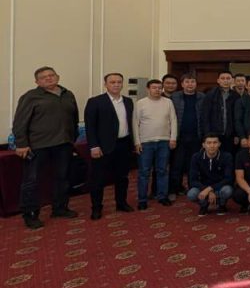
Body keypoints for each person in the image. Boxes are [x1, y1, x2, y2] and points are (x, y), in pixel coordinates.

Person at [12, 65, 80, 229]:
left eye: (51, 75)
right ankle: (30, 214)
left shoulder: (68, 94)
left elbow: (74, 118)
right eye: (43, 77)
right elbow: (20, 122)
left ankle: (60, 208)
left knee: (62, 178)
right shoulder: (30, 97)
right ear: (37, 82)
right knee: (32, 181)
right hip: (38, 146)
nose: (49, 78)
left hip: (63, 144)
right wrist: (21, 144)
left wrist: (72, 138)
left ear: (58, 77)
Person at [84, 72, 134, 219]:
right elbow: (90, 126)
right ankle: (96, 208)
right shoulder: (95, 102)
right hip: (102, 146)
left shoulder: (128, 101)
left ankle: (121, 203)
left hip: (124, 144)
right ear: (105, 84)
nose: (116, 85)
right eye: (112, 82)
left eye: (119, 82)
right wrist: (94, 146)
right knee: (98, 179)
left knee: (122, 177)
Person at [133, 79, 177, 210]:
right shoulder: (140, 103)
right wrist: (137, 142)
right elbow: (135, 123)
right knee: (144, 172)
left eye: (159, 87)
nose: (157, 90)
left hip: (164, 141)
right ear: (148, 89)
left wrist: (173, 138)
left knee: (162, 170)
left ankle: (162, 196)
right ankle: (142, 199)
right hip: (145, 142)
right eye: (154, 87)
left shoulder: (168, 102)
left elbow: (173, 120)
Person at [170, 74, 205, 197]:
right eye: (187, 81)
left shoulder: (202, 97)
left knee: (193, 164)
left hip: (196, 136)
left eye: (193, 81)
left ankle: (192, 187)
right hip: (179, 136)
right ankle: (174, 189)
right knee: (177, 164)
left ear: (196, 83)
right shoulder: (175, 97)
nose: (190, 84)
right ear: (182, 84)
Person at [187, 134, 234, 215]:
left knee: (227, 190)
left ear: (219, 144)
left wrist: (210, 189)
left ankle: (221, 204)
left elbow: (228, 178)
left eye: (215, 142)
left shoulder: (227, 156)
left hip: (220, 187)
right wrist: (207, 190)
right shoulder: (196, 157)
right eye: (209, 143)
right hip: (203, 188)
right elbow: (193, 180)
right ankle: (204, 205)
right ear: (203, 145)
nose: (212, 146)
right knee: (191, 194)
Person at [201, 72, 239, 156]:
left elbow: (237, 117)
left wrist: (236, 134)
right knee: (214, 156)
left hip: (230, 134)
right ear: (218, 80)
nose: (225, 80)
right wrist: (207, 134)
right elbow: (205, 116)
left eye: (228, 78)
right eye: (223, 78)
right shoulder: (210, 95)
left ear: (232, 80)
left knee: (229, 156)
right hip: (214, 134)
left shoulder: (236, 96)